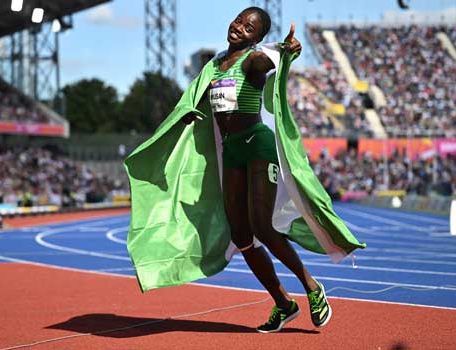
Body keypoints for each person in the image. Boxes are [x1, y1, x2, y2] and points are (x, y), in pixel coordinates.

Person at [124, 6, 365, 334]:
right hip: (232, 151)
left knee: (263, 228)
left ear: (258, 38)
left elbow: (265, 62)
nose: (239, 27)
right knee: (240, 235)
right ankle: (283, 303)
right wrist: (186, 114)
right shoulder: (212, 66)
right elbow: (192, 101)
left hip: (257, 146)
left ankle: (311, 287)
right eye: (239, 20)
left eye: (249, 27)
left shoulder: (252, 60)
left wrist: (284, 49)